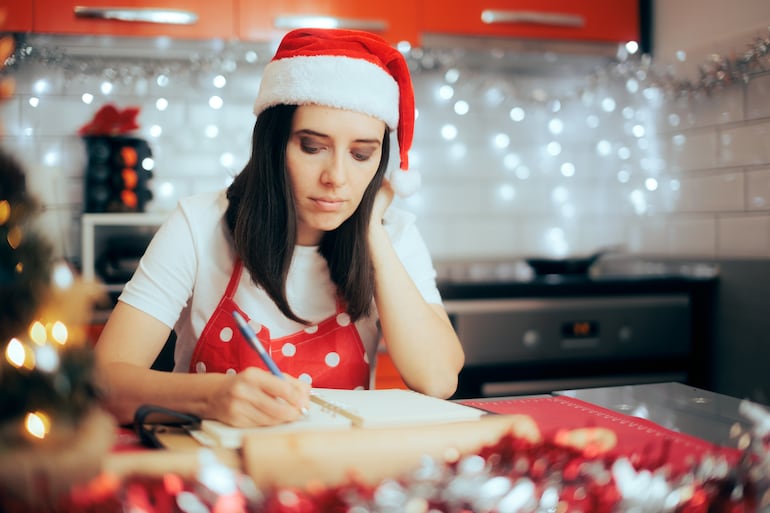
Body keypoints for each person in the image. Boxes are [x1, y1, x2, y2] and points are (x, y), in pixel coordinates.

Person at [94, 28, 465, 428]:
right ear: (273, 145)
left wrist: (371, 228)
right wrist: (211, 398)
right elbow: (100, 384)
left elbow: (438, 379)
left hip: (341, 472)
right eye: (312, 147)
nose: (337, 177)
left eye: (361, 154)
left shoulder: (393, 235)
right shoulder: (198, 225)